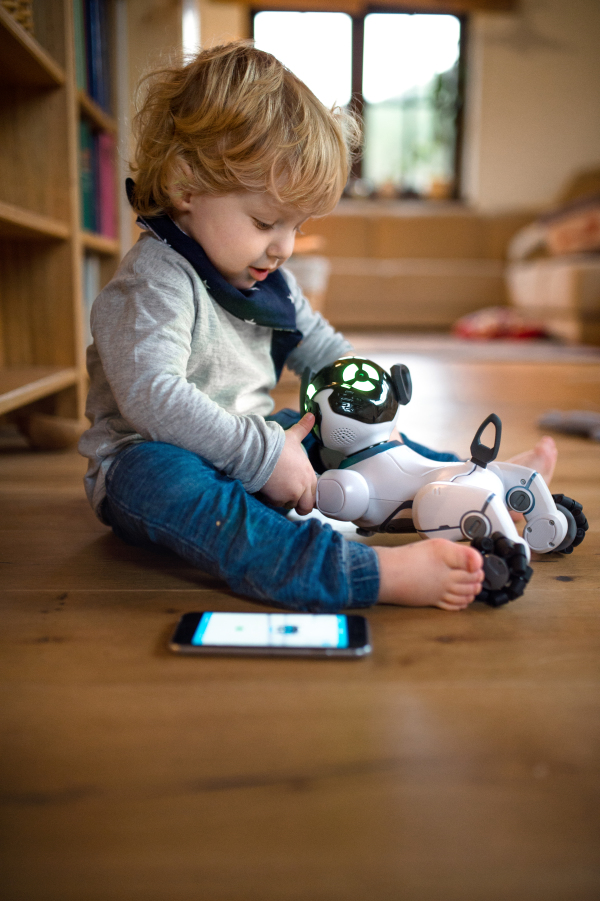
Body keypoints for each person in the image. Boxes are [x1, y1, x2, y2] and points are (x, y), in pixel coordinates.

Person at [79, 41, 556, 614]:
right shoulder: (153, 282)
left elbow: (324, 349)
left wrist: (363, 399)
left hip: (259, 448)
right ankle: (365, 572)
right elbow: (151, 397)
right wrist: (263, 456)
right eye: (264, 222)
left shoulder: (261, 275)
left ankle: (463, 479)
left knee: (350, 435)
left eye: (296, 227)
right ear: (186, 188)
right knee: (170, 478)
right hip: (149, 462)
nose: (283, 247)